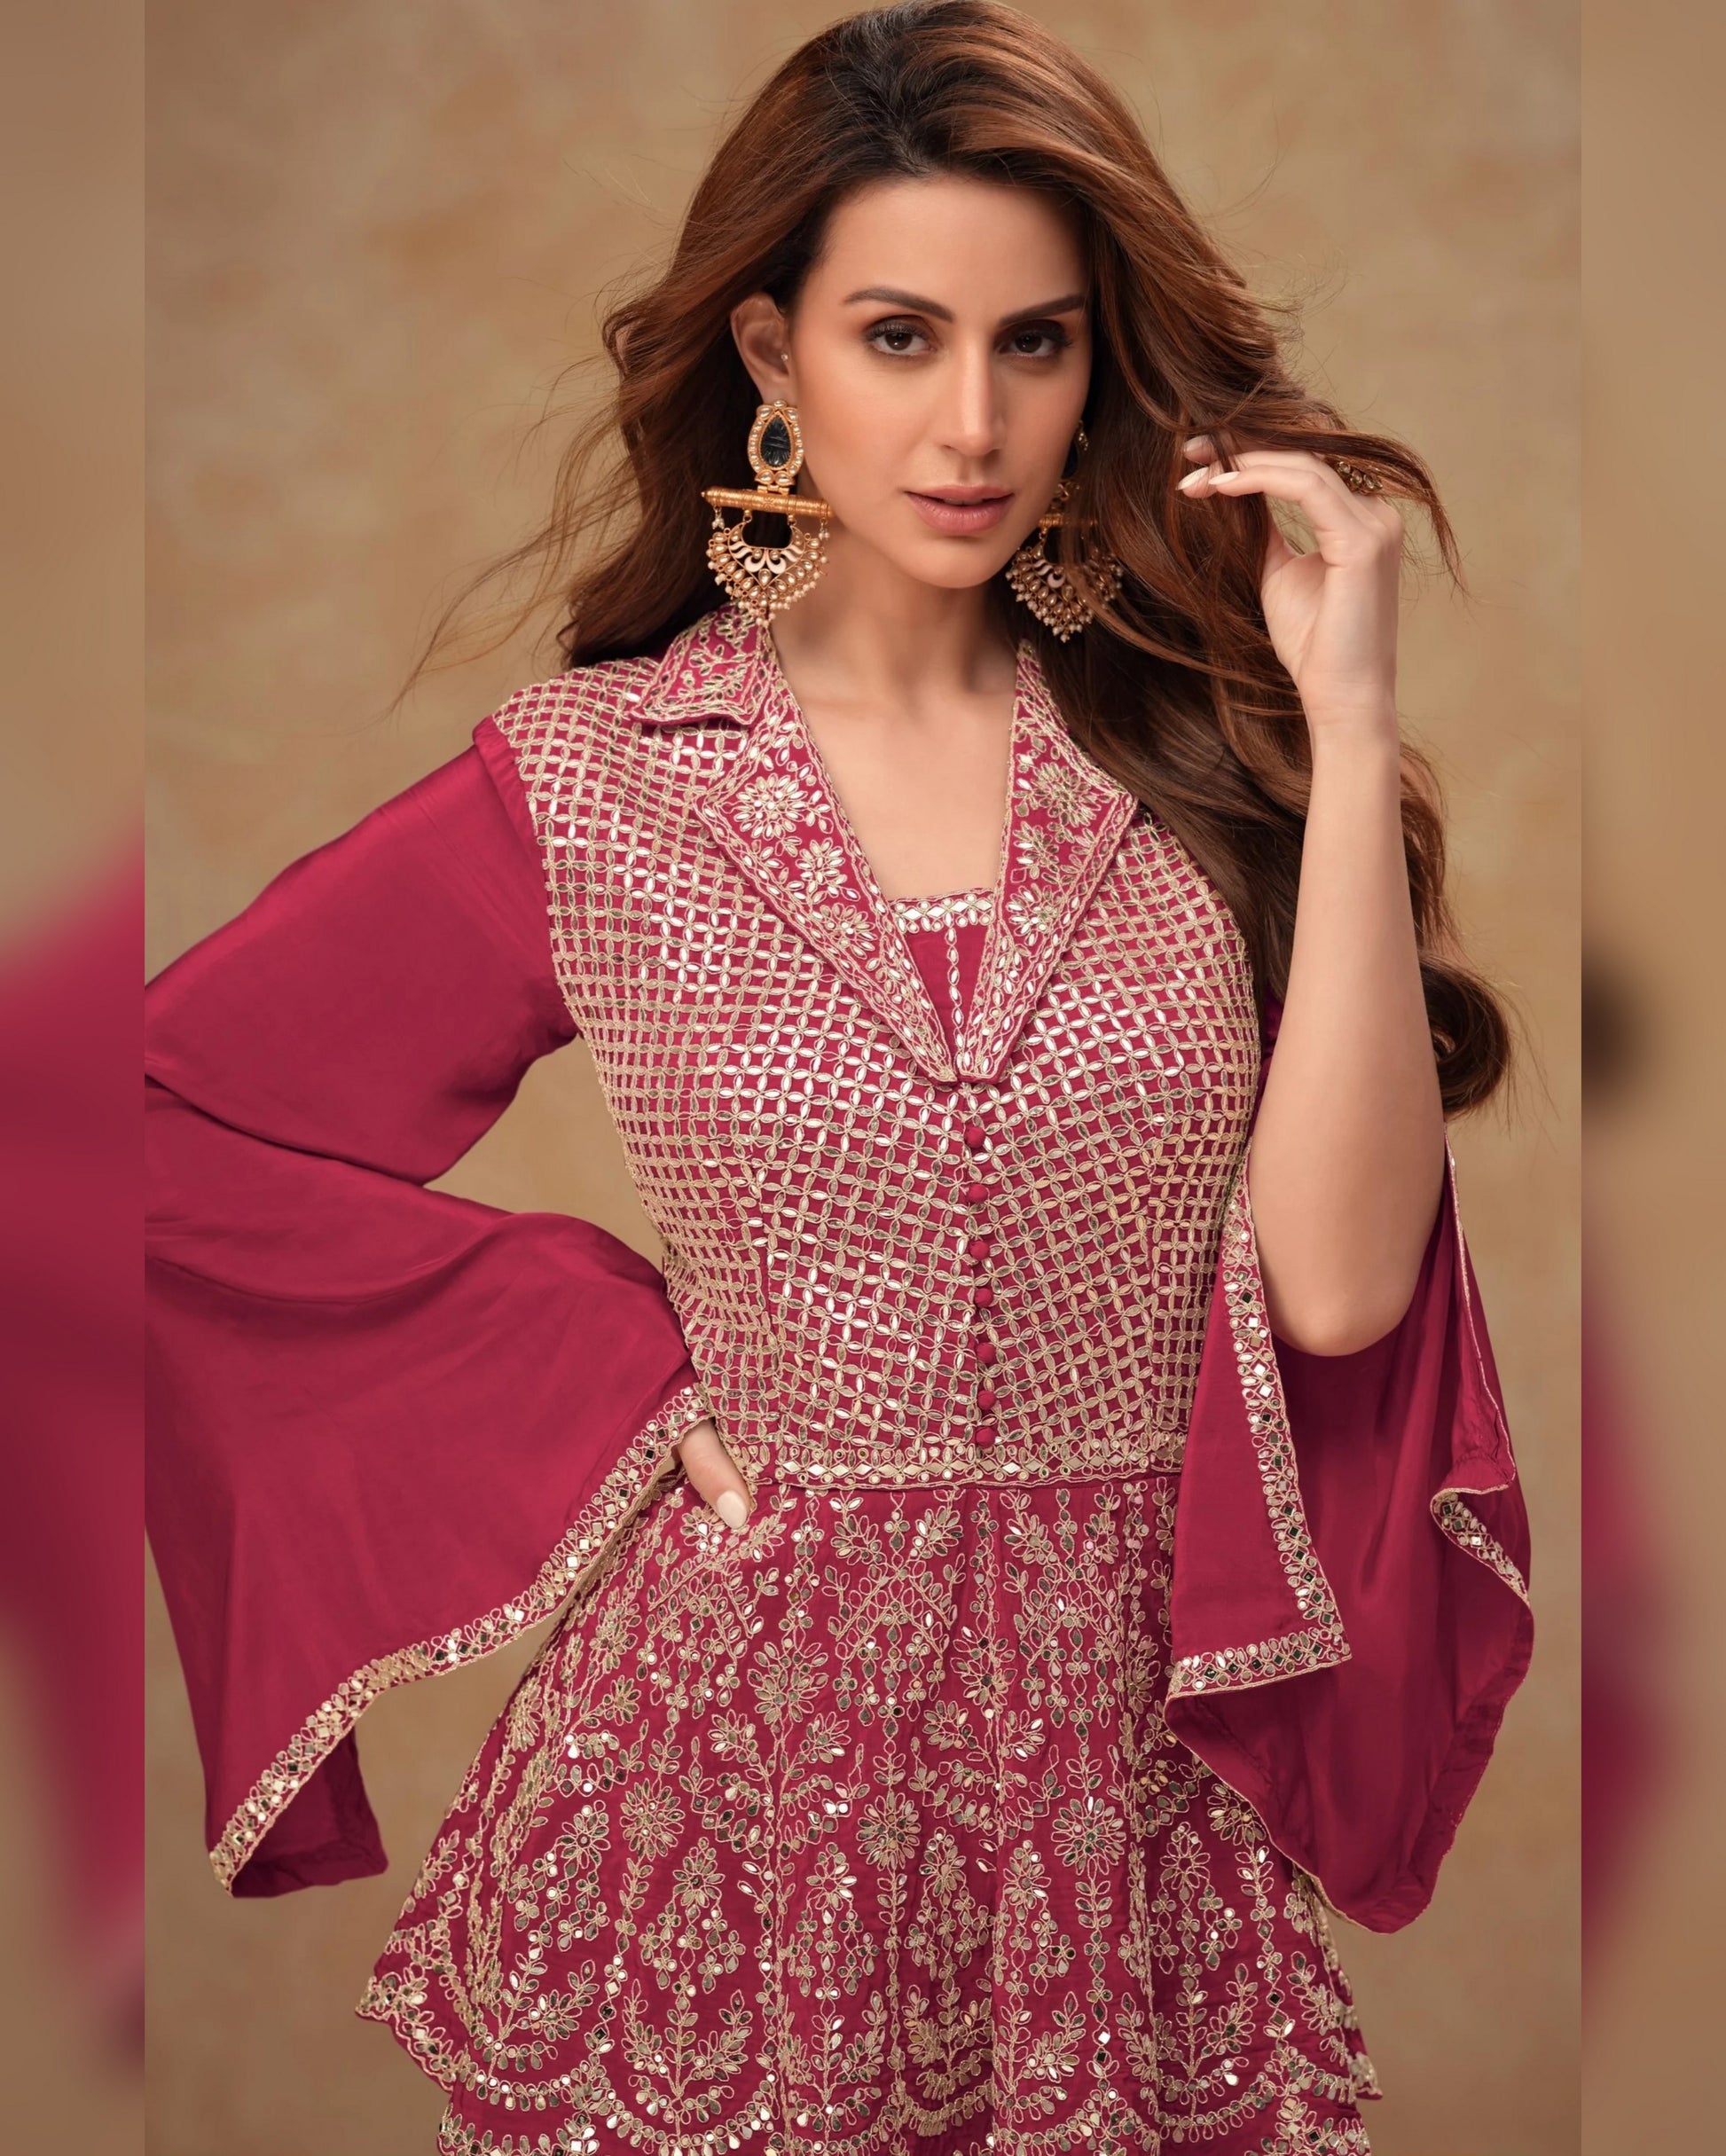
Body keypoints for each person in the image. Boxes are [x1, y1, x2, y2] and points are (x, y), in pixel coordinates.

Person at [145, 5, 1534, 2152]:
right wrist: (580, 1366)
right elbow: (153, 1124)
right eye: (901, 337)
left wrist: (1342, 727)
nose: (973, 422)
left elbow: (1341, 1294)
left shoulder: (1212, 768)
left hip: (1124, 1809)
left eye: (1036, 344)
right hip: (728, 1800)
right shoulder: (599, 791)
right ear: (775, 359)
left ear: (1096, 370)